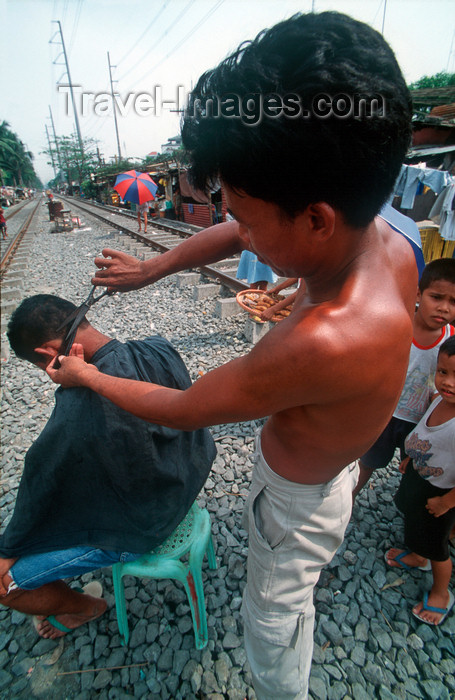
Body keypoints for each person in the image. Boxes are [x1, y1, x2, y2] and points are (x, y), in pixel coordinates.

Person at [48, 12, 424, 699]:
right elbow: (236, 230)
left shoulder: (322, 339)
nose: (237, 230)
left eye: (246, 217)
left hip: (295, 500)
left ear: (314, 219)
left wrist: (87, 374)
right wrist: (152, 270)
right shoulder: (384, 231)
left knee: (273, 614)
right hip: (332, 460)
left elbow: (186, 409)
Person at [0, 295, 216, 640]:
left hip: (145, 525)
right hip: (185, 483)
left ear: (46, 355)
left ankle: (88, 607)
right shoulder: (157, 347)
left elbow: (45, 478)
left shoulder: (82, 399)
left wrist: (9, 547)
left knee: (4, 585)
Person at [353, 257, 455, 499]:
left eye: (454, 301)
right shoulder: (397, 324)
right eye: (437, 297)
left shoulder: (451, 342)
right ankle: (350, 496)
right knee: (368, 461)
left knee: (414, 466)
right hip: (386, 414)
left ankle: (408, 503)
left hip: (421, 422)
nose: (444, 308)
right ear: (418, 294)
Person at [385, 336, 455, 626]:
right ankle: (417, 555)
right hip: (419, 475)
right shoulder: (438, 399)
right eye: (443, 372)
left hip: (440, 494)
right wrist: (411, 458)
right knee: (413, 518)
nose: (448, 382)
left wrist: (446, 503)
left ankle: (441, 592)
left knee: (437, 544)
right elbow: (427, 435)